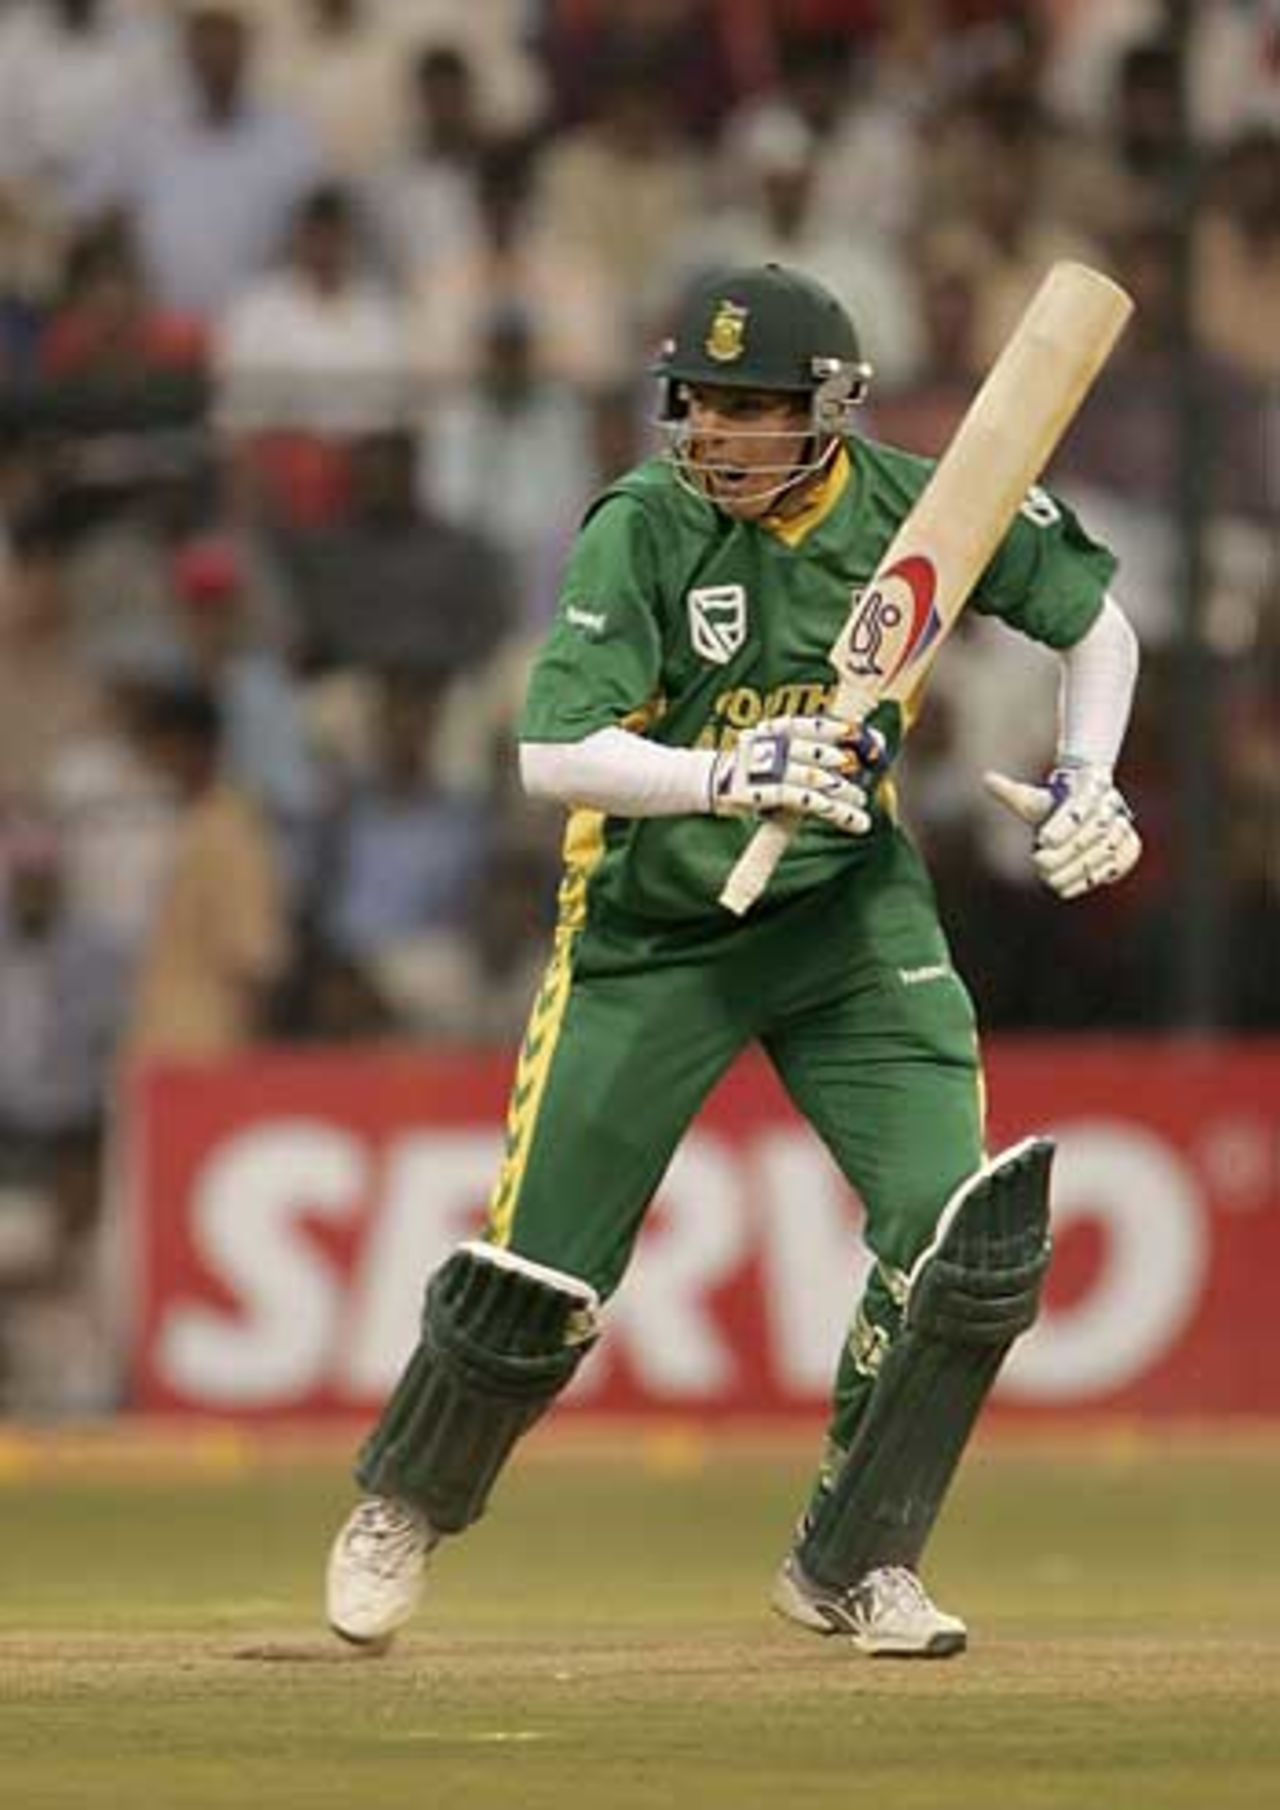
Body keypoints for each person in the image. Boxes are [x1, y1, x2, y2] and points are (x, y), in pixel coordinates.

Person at [324, 262, 1143, 1659]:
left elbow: (1097, 626)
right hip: (653, 931)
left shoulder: (923, 505)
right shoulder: (643, 524)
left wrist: (1088, 777)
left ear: (828, 410)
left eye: (752, 408)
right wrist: (728, 771)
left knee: (959, 1237)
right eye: (700, 403)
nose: (716, 431)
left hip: (848, 914)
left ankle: (857, 1557)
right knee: (540, 1276)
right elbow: (551, 752)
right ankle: (405, 1501)